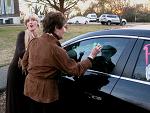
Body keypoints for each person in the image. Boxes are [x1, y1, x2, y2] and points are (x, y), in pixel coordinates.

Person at [21, 11, 102, 113]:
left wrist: (35, 72)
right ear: (56, 27)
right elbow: (76, 70)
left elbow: (24, 62)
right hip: (46, 96)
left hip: (30, 89)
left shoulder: (33, 42)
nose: (65, 30)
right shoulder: (56, 50)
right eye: (64, 27)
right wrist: (91, 56)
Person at [5, 14, 40, 113]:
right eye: (28, 21)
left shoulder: (38, 38)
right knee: (16, 100)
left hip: (27, 73)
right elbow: (21, 52)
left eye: (33, 20)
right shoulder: (22, 34)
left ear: (37, 23)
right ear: (26, 24)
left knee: (25, 100)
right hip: (16, 71)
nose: (30, 22)